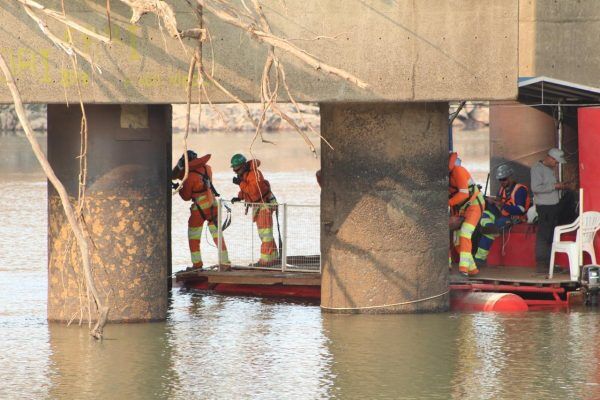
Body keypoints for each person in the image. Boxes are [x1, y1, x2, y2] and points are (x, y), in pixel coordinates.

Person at [172, 150, 230, 270]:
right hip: (213, 205)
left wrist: (179, 188)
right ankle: (225, 263)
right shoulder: (207, 168)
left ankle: (197, 265)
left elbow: (186, 196)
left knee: (193, 237)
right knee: (217, 236)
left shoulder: (189, 176)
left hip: (199, 209)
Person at [474, 164, 531, 267]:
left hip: (514, 217)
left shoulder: (520, 189)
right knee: (483, 213)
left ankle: (480, 259)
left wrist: (502, 205)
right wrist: (492, 201)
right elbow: (500, 200)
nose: (502, 182)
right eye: (500, 180)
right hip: (502, 214)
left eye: (504, 179)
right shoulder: (502, 189)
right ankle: (489, 227)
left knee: (492, 229)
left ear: (510, 177)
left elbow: (521, 210)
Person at [230, 153, 279, 266]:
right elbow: (247, 190)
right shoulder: (246, 175)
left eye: (236, 169)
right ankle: (274, 259)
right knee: (265, 235)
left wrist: (240, 183)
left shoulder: (255, 174)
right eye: (234, 169)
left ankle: (265, 261)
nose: (235, 172)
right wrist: (239, 197)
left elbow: (254, 191)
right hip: (259, 206)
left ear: (243, 166)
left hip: (264, 206)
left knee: (265, 235)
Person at [530, 148, 572, 273]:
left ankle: (549, 263)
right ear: (550, 158)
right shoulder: (537, 169)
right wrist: (555, 186)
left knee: (550, 236)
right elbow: (535, 188)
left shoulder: (549, 169)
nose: (557, 164)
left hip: (553, 206)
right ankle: (542, 264)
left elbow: (548, 186)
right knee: (544, 235)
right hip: (545, 207)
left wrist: (560, 186)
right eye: (556, 162)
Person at [449, 152, 485, 276]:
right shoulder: (447, 176)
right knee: (457, 241)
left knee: (465, 233)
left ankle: (463, 270)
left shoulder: (458, 171)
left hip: (474, 204)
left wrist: (448, 203)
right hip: (462, 207)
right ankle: (473, 269)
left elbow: (463, 194)